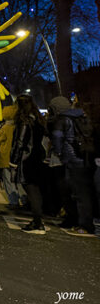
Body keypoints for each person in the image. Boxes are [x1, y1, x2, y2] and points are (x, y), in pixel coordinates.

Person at [48, 96, 95, 236]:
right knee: (84, 192)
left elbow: (57, 137)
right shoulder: (81, 116)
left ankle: (84, 224)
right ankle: (82, 221)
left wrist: (59, 153)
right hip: (85, 157)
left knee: (77, 193)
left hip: (72, 158)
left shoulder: (62, 119)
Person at [10, 94, 48, 234]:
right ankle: (38, 219)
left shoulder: (24, 121)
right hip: (38, 157)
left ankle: (37, 221)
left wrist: (13, 160)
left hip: (27, 159)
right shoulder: (38, 119)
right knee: (36, 190)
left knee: (31, 190)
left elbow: (19, 143)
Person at [0, 105, 27, 210]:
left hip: (5, 157)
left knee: (8, 180)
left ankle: (13, 201)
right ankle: (24, 200)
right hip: (16, 157)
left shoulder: (5, 128)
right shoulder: (18, 126)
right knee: (17, 181)